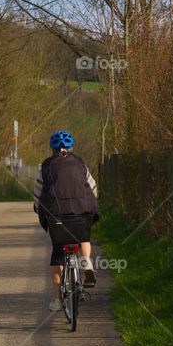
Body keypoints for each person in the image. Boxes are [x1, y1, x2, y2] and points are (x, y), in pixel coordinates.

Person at [33, 130, 99, 312]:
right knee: (83, 238)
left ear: (52, 148)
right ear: (71, 147)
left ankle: (56, 299)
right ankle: (86, 262)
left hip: (57, 217)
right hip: (81, 213)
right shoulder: (80, 164)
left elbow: (38, 193)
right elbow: (93, 187)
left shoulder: (45, 166)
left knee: (57, 254)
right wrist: (91, 205)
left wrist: (38, 209)